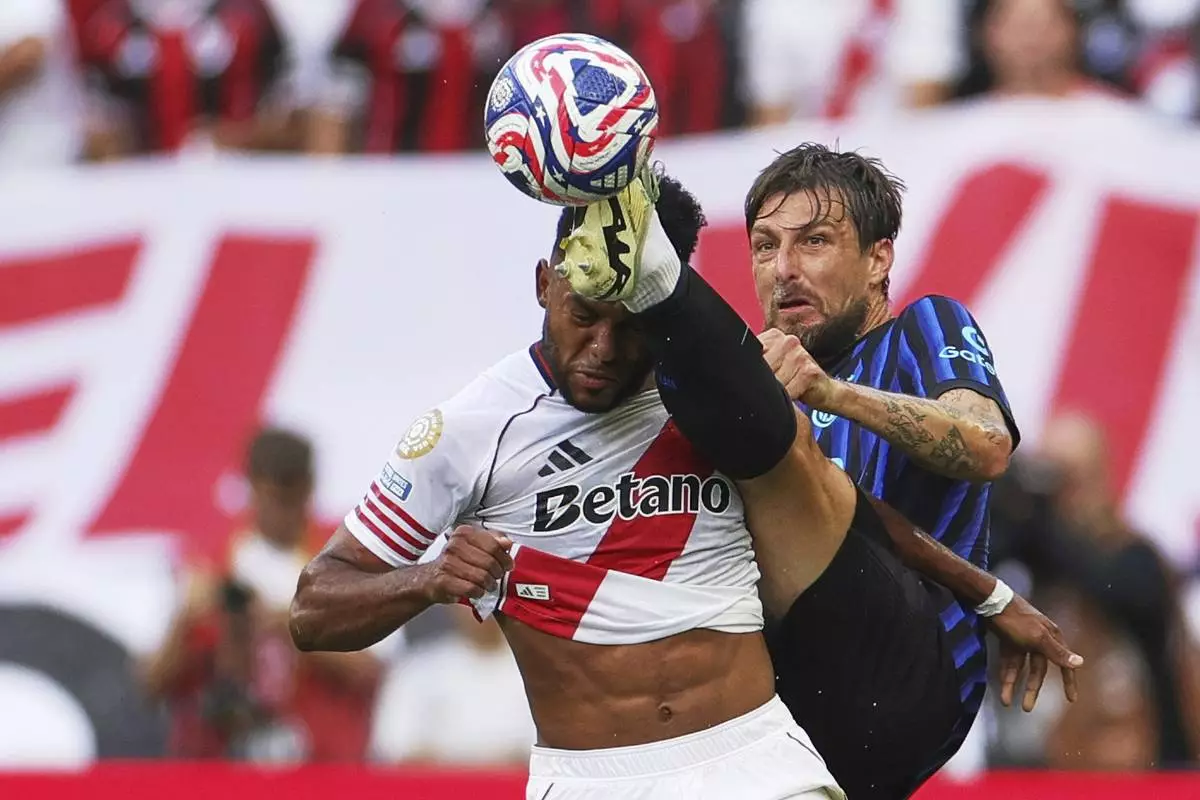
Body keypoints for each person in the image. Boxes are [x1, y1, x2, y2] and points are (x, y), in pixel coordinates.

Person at [289, 177, 845, 799]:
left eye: (630, 324)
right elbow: (312, 610)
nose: (603, 348)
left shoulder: (722, 392)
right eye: (583, 314)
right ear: (543, 284)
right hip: (590, 782)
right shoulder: (469, 430)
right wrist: (428, 580)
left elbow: (841, 512)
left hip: (753, 760)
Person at [550, 157, 1082, 799]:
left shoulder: (924, 328)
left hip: (905, 676)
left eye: (815, 241)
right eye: (765, 246)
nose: (784, 270)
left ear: (879, 259)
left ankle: (654, 270)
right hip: (793, 701)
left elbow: (986, 446)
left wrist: (833, 393)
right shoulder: (756, 389)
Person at [144, 428, 382, 761]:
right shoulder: (205, 559)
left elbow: (371, 672)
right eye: (267, 497)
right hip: (220, 759)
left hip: (319, 764)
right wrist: (185, 620)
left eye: (288, 501)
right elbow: (152, 684)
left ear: (309, 489)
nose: (277, 513)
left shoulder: (348, 558)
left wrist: (292, 626)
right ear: (250, 484)